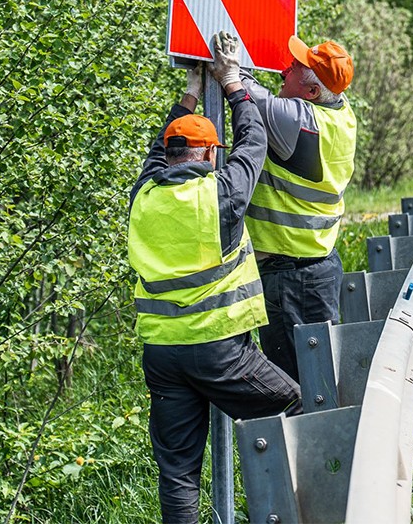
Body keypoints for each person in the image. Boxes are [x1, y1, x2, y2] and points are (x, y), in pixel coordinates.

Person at [127, 33, 301, 524]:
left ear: (169, 154)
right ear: (207, 156)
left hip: (162, 355)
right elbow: (254, 142)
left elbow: (155, 151)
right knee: (289, 404)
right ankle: (277, 511)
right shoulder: (220, 197)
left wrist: (190, 90)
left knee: (179, 471)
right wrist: (232, 83)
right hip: (220, 351)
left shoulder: (143, 196)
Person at [217, 30, 357, 382]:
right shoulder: (341, 114)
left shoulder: (296, 121)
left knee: (297, 389)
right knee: (317, 381)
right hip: (315, 269)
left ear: (311, 93)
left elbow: (241, 85)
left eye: (294, 67)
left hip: (293, 279)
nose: (284, 70)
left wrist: (232, 64)